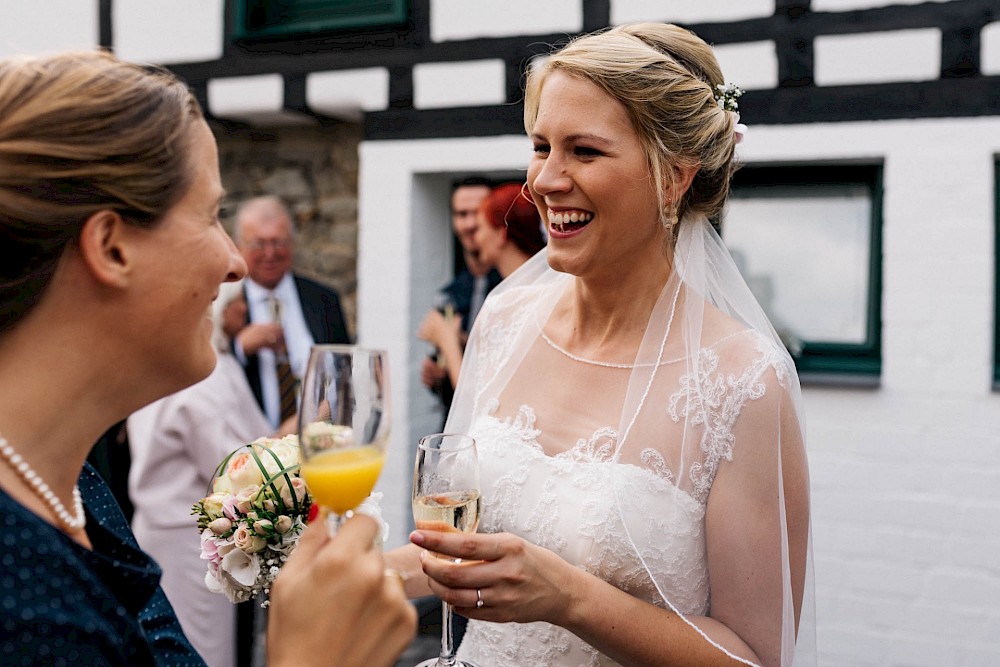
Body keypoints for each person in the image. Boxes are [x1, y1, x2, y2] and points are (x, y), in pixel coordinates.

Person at [388, 23, 814, 667]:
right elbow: (455, 550)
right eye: (540, 146)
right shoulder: (506, 321)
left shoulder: (743, 381)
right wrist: (309, 553)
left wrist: (569, 598)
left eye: (584, 151)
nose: (544, 182)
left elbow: (754, 657)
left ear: (674, 177)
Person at [0, 50, 415, 667]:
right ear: (112, 248)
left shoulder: (75, 492)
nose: (237, 263)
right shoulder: (24, 611)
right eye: (210, 214)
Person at [126, 279, 293, 667]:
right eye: (234, 304)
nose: (243, 312)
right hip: (186, 542)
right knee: (198, 651)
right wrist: (296, 431)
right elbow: (230, 466)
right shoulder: (200, 377)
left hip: (169, 533)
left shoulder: (199, 363)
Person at [232, 195, 351, 429]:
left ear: (293, 243)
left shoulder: (323, 300)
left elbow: (345, 370)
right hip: (250, 449)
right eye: (258, 244)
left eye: (279, 242)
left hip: (318, 442)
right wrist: (240, 348)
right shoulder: (226, 304)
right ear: (238, 246)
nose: (270, 254)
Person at [418, 181, 547, 388]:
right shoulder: (530, 286)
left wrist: (448, 341)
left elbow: (479, 399)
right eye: (461, 214)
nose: (476, 235)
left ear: (501, 234)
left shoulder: (513, 299)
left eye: (481, 225)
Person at [420, 178, 502, 425]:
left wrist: (453, 341)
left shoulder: (515, 284)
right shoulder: (449, 293)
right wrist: (436, 377)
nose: (469, 223)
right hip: (453, 425)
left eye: (477, 213)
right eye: (461, 214)